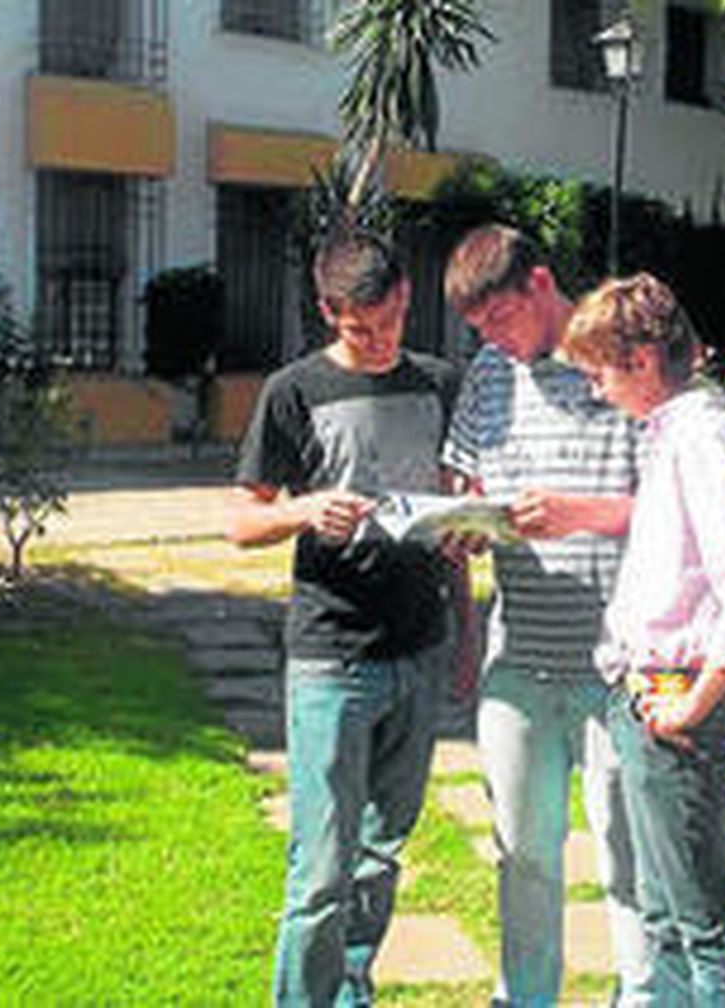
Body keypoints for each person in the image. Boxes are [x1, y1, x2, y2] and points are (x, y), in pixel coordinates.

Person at [230, 231, 459, 1007]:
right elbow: (240, 521)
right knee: (320, 867)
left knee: (381, 852)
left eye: (390, 320)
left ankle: (350, 992)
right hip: (332, 657)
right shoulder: (293, 391)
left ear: (404, 301)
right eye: (360, 328)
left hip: (420, 648)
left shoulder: (438, 382)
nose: (379, 338)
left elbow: (457, 499)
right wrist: (304, 510)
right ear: (330, 312)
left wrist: (460, 629)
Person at [561, 272, 725, 1006]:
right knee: (660, 916)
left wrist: (693, 704)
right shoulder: (669, 437)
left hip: (674, 694)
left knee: (703, 925)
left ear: (643, 359)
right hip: (646, 690)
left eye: (600, 372)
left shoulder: (700, 441)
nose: (597, 390)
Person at [442, 225, 647, 1006]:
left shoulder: (619, 362)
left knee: (627, 860)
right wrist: (462, 526)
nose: (492, 341)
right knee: (523, 858)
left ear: (540, 284)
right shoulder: (490, 375)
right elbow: (465, 486)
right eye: (478, 330)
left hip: (615, 665)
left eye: (500, 320)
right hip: (518, 665)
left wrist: (579, 514)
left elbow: (676, 503)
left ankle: (644, 996)